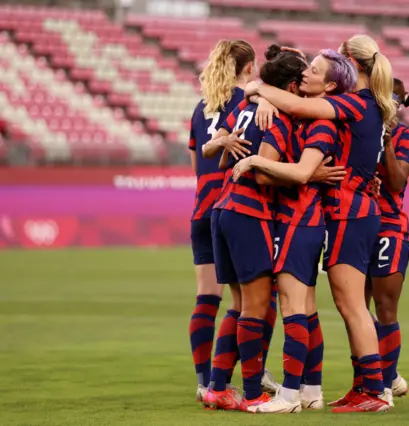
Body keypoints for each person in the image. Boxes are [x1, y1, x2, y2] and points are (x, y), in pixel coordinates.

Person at [245, 34, 395, 413]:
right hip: (354, 208)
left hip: (349, 211)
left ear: (350, 65)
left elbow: (295, 103)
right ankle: (368, 386)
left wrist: (257, 88)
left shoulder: (353, 104)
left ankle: (375, 391)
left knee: (352, 307)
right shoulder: (369, 104)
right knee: (350, 305)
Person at [232, 48, 357, 413]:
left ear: (329, 85)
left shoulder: (322, 123)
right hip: (301, 220)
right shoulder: (304, 115)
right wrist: (257, 91)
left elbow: (303, 173)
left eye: (313, 70)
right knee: (305, 308)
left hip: (299, 220)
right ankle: (311, 389)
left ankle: (287, 396)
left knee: (291, 307)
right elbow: (263, 89)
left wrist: (256, 159)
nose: (305, 74)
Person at [202, 47, 308, 412]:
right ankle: (252, 393)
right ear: (292, 86)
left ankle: (216, 387)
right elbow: (263, 173)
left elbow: (212, 146)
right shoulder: (275, 119)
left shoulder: (248, 107)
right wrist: (304, 177)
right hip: (249, 213)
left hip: (223, 208)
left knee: (239, 304)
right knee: (257, 307)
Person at [187, 39, 255, 403]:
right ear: (249, 68)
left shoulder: (202, 108)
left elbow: (198, 166)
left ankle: (204, 382)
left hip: (201, 207)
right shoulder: (250, 104)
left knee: (206, 298)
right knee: (250, 303)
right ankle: (228, 379)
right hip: (235, 208)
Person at [364, 78, 409, 403]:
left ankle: (383, 386)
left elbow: (397, 181)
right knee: (353, 307)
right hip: (357, 224)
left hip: (388, 227)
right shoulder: (360, 129)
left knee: (386, 308)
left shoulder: (407, 137)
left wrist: (385, 143)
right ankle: (372, 378)